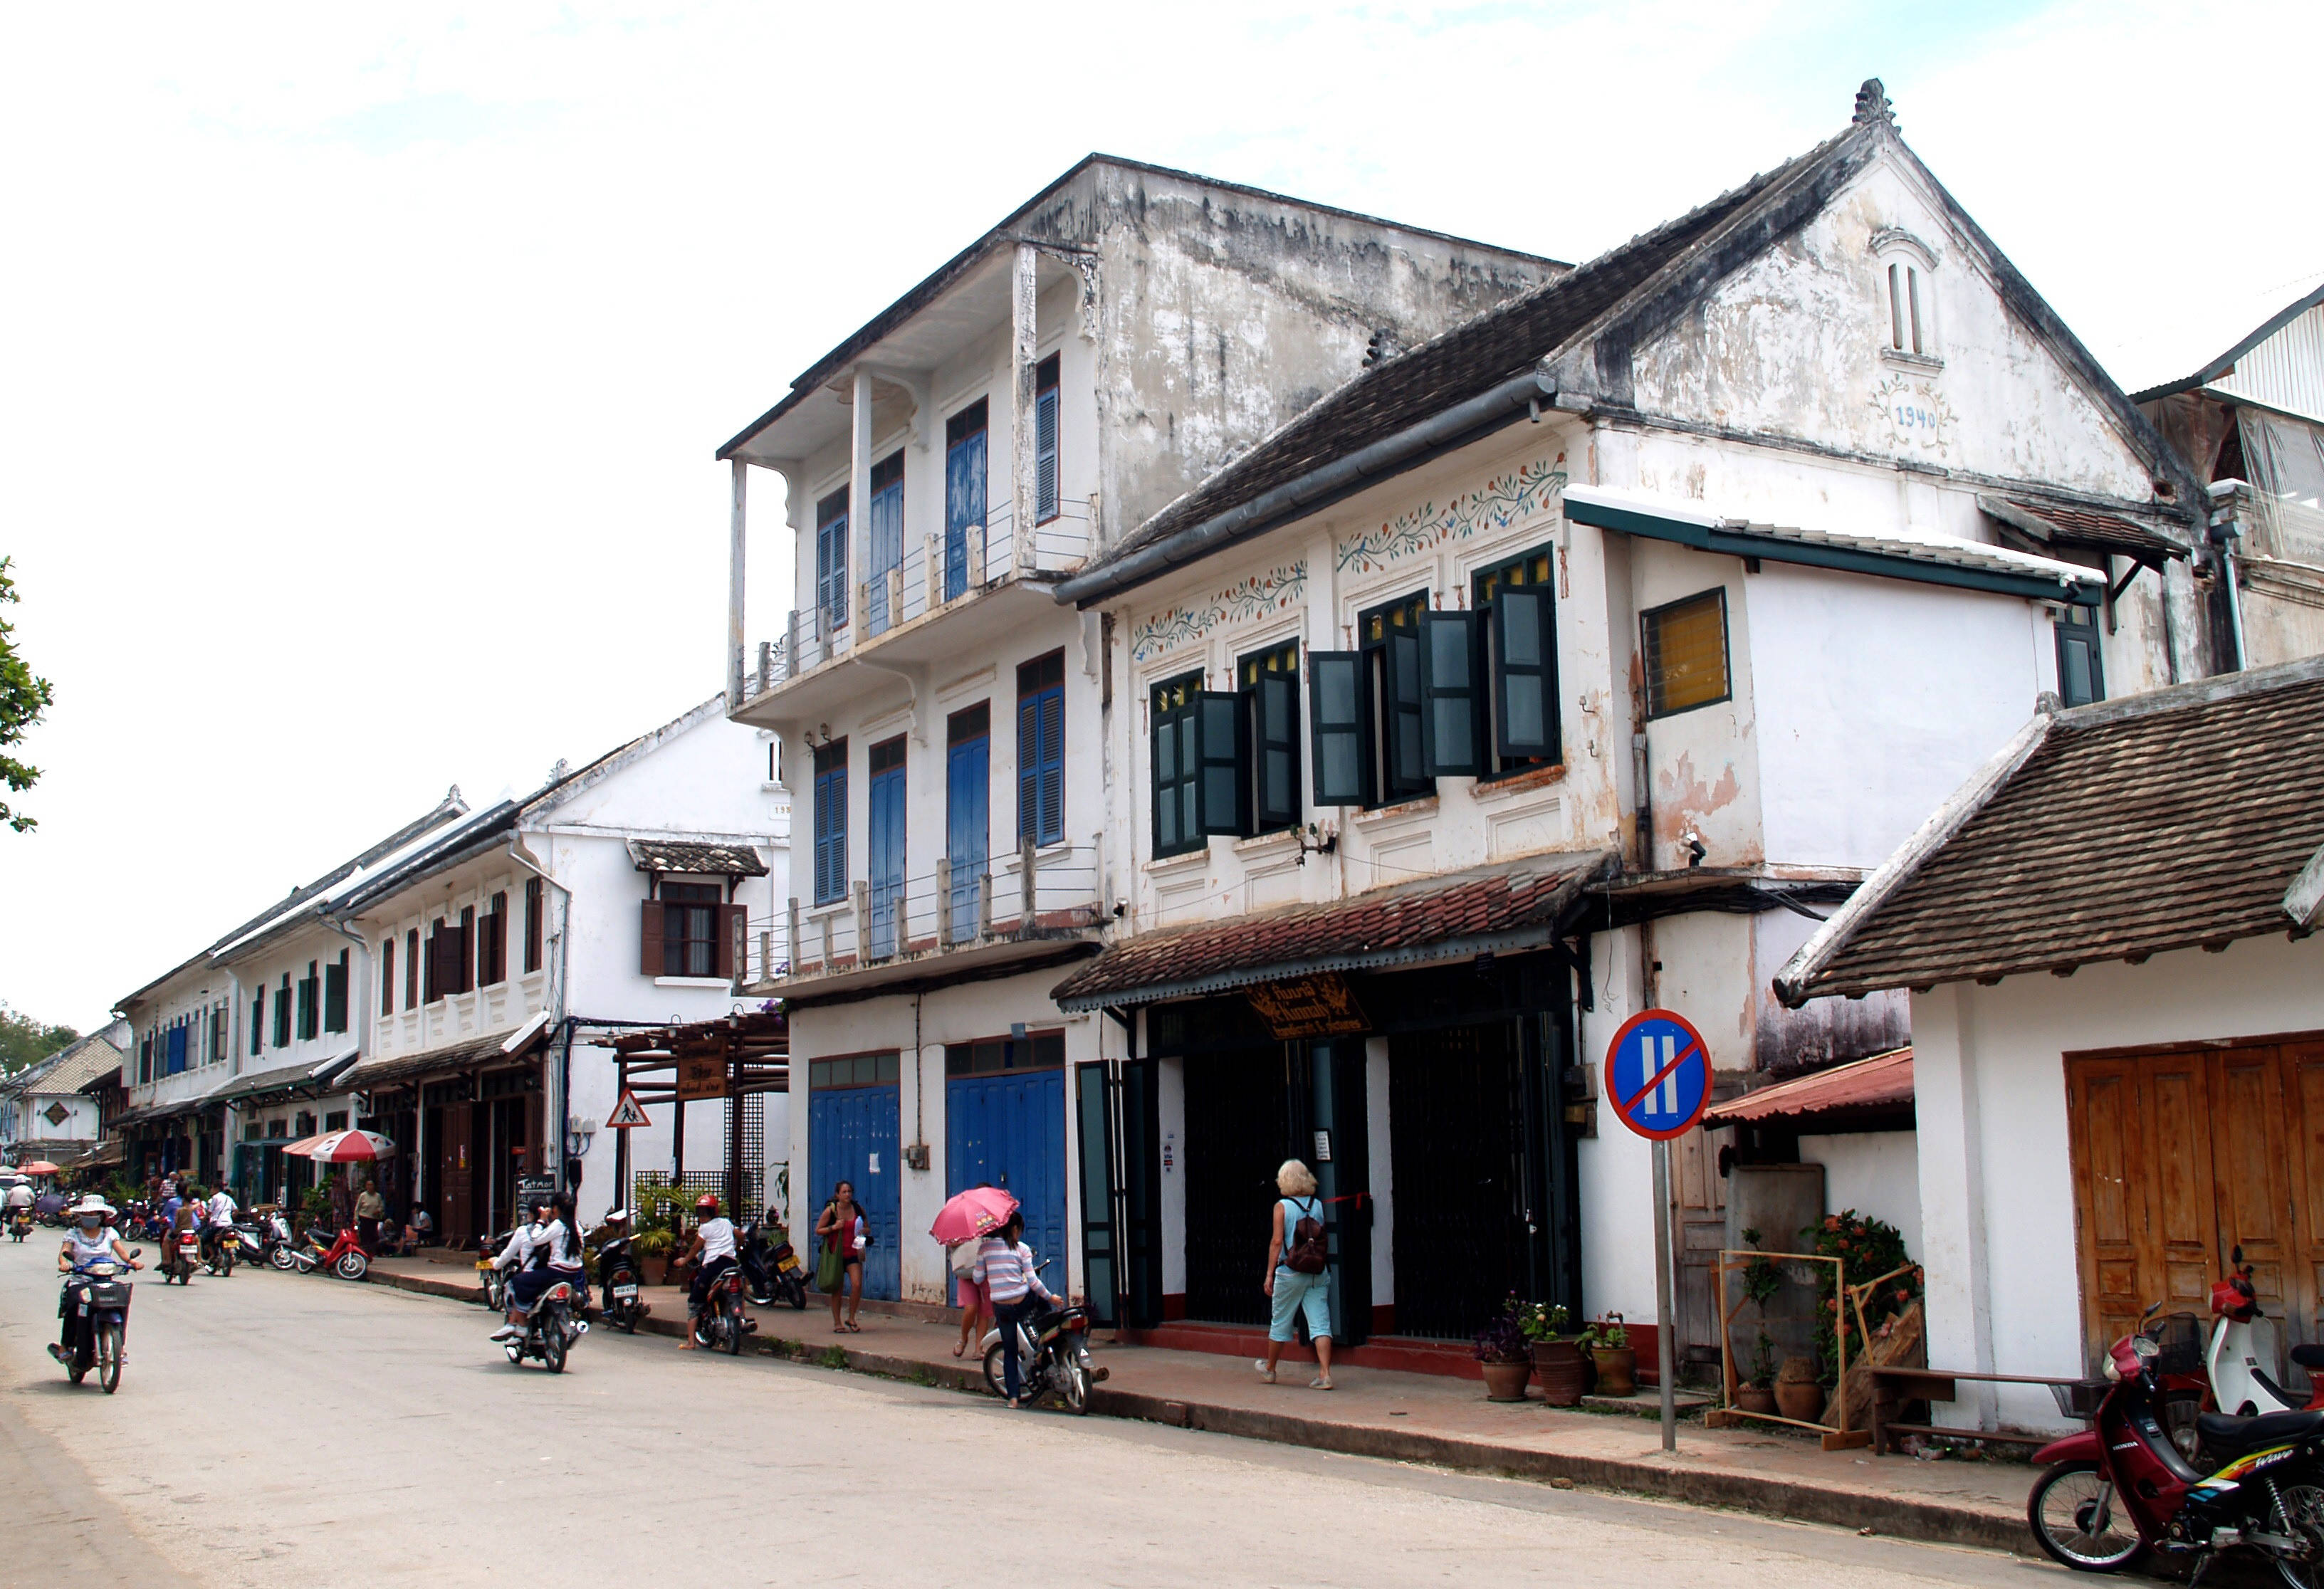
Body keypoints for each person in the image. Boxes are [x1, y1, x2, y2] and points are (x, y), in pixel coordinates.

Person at [1257, 1158, 1334, 1390]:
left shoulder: (1282, 1206)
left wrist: (1270, 1273)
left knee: (1280, 1322)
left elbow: (1277, 1241)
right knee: (1320, 1323)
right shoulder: (1317, 1205)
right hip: (1317, 1272)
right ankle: (1325, 1373)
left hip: (1290, 1271)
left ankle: (1270, 1369)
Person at [973, 1212, 1058, 1409]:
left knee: (1010, 1352)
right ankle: (1043, 1339)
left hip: (1002, 1307)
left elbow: (977, 1279)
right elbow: (1033, 1282)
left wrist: (989, 1270)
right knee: (1042, 1308)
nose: (1020, 1234)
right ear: (1014, 1229)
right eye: (1020, 1230)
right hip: (1023, 1302)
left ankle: (1013, 1398)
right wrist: (1051, 1297)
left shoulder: (985, 1249)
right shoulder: (1022, 1249)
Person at [52, 1197, 141, 1363]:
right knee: (73, 1304)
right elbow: (64, 1252)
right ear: (81, 1215)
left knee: (122, 1301)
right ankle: (66, 1345)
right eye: (87, 1213)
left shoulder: (109, 1234)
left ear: (101, 1215)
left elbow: (122, 1253)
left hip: (105, 1280)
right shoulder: (73, 1234)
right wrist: (64, 1264)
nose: (90, 1216)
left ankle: (119, 1347)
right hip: (82, 1280)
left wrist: (131, 1262)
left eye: (94, 1213)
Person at [675, 1193, 737, 1352]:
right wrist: (738, 1246)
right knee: (738, 1291)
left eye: (705, 1213)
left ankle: (690, 1342)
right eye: (700, 1213)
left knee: (694, 1302)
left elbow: (696, 1248)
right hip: (731, 1264)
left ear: (713, 1212)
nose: (702, 1217)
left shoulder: (705, 1228)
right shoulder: (726, 1223)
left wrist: (684, 1260)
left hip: (713, 1266)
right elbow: (741, 1236)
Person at [489, 1199, 558, 1342]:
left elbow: (508, 1254)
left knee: (512, 1286)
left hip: (531, 1277)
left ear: (531, 1214)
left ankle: (519, 1326)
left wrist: (495, 1265)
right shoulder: (555, 1228)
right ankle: (513, 1325)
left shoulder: (524, 1231)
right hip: (552, 1276)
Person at [815, 1181, 868, 1333]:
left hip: (853, 1253)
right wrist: (834, 1227)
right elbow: (818, 1230)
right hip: (836, 1255)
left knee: (857, 1285)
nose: (847, 1195)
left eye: (849, 1191)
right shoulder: (830, 1212)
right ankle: (837, 1322)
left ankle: (851, 1318)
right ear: (837, 1195)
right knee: (837, 1289)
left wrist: (863, 1230)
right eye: (844, 1192)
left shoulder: (857, 1209)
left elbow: (868, 1227)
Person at [353, 1180, 384, 1254]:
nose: (370, 1187)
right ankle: (364, 1251)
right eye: (368, 1185)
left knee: (374, 1235)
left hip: (374, 1219)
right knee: (364, 1235)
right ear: (366, 1186)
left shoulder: (378, 1196)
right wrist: (356, 1218)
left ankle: (373, 1251)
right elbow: (357, 1208)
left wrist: (378, 1210)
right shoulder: (363, 1195)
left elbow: (381, 1206)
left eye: (371, 1185)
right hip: (364, 1217)